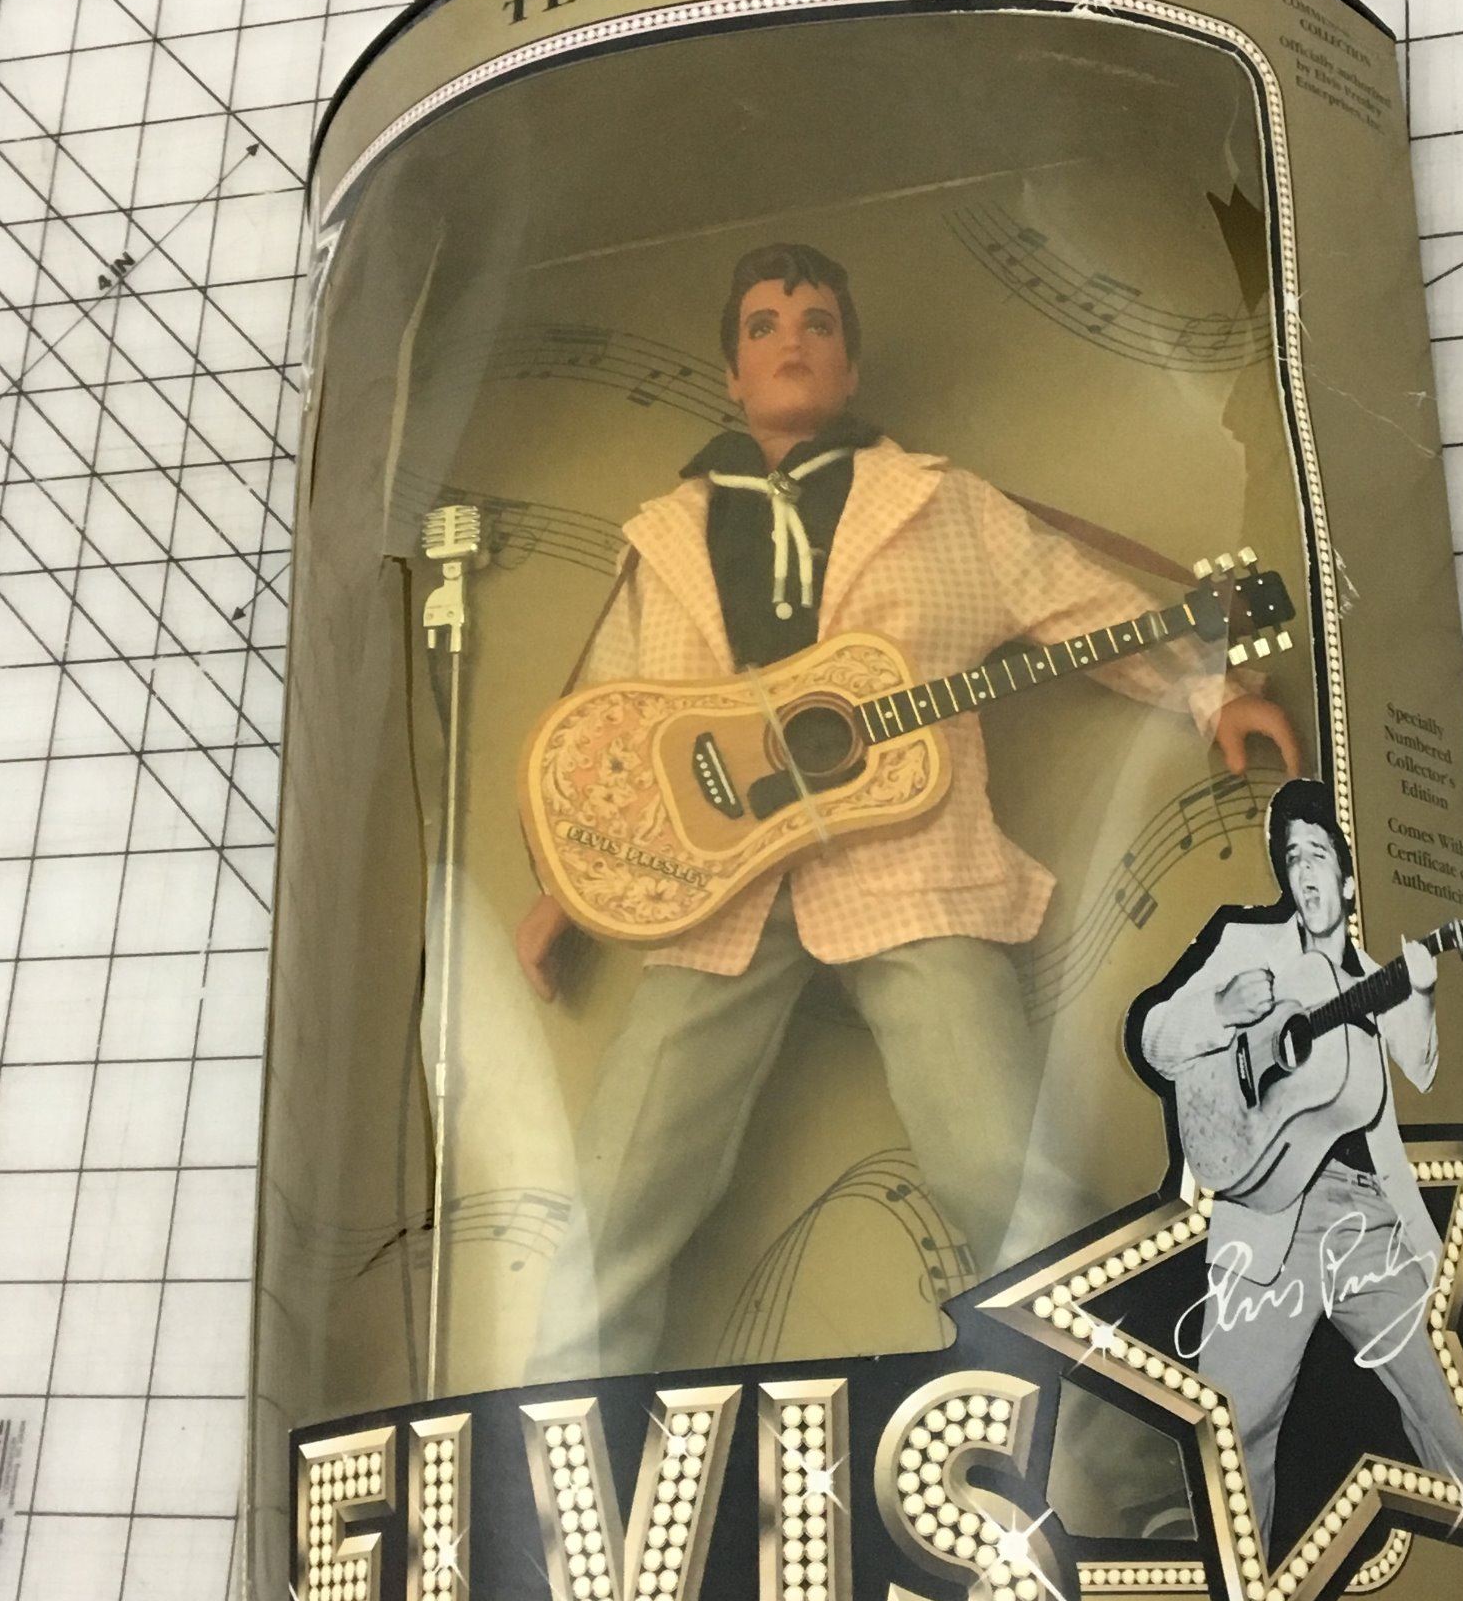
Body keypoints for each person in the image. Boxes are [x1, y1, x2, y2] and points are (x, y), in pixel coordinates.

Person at [517, 241, 1300, 1383]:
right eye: (764, 326)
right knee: (615, 1202)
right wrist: (571, 881)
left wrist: (1213, 691)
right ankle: (550, 1466)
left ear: (852, 364)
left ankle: (1115, 1455)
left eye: (818, 324)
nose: (792, 342)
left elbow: (1080, 606)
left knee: (1005, 1173)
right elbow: (612, 735)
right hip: (716, 892)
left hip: (911, 868)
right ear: (731, 372)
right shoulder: (668, 535)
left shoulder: (941, 505)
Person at [1131, 777, 1463, 1540]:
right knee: (1234, 1431)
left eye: (1319, 855)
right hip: (1270, 1218)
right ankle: (1227, 1592)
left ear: (1348, 883)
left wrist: (1420, 993)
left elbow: (1421, 1067)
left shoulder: (1372, 978)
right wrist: (1219, 1010)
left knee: (1456, 1419)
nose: (1306, 872)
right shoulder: (1245, 946)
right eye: (1293, 858)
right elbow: (1155, 1038)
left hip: (1372, 1223)